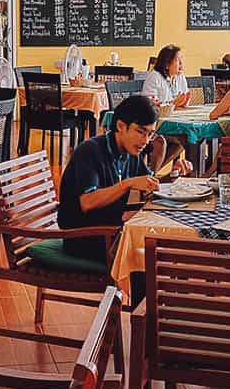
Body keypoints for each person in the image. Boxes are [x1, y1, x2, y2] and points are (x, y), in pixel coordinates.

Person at [58, 94, 161, 265]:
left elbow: (147, 182)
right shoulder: (90, 151)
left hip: (111, 232)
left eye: (150, 134)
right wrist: (127, 184)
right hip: (83, 238)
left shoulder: (131, 151)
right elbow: (87, 202)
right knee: (152, 255)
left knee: (167, 248)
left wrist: (174, 174)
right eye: (140, 132)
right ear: (121, 126)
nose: (145, 141)